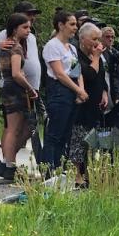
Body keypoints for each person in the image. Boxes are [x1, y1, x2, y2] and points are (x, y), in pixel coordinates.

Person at [0, 0, 43, 170]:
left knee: (26, 126)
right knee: (13, 127)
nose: (32, 19)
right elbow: (14, 71)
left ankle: (10, 158)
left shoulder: (28, 39)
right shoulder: (9, 40)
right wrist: (27, 86)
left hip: (26, 86)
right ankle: (9, 163)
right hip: (14, 86)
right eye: (28, 16)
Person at [41, 9, 86, 173]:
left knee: (66, 134)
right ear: (61, 25)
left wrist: (81, 89)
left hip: (72, 90)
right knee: (55, 133)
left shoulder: (72, 48)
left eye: (76, 24)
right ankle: (48, 169)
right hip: (59, 91)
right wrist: (77, 90)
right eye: (72, 24)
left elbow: (77, 71)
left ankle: (59, 167)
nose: (75, 28)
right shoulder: (52, 46)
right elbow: (59, 73)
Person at [67, 23, 108, 185]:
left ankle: (89, 173)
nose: (97, 43)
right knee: (79, 140)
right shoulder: (74, 56)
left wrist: (105, 92)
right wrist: (97, 57)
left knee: (92, 141)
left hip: (96, 104)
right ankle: (77, 175)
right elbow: (89, 74)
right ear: (82, 39)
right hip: (81, 105)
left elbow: (101, 74)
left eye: (99, 39)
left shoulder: (96, 55)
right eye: (94, 39)